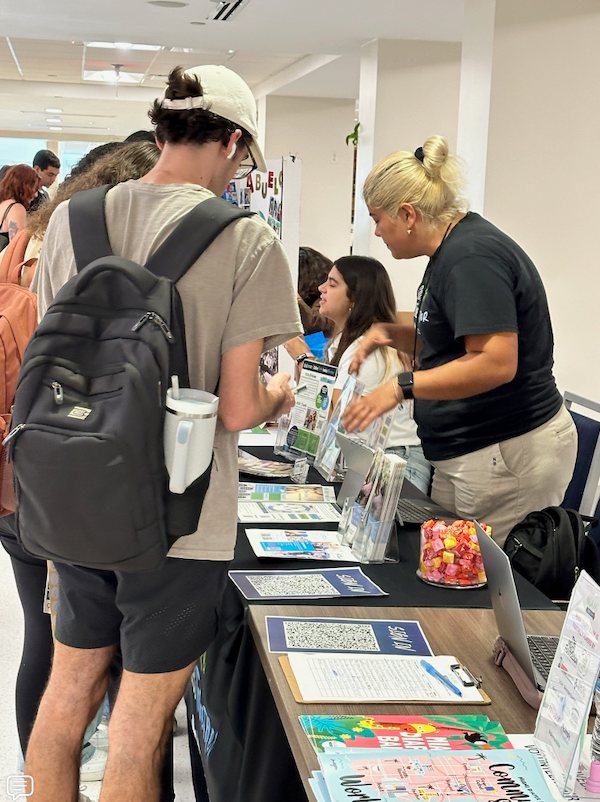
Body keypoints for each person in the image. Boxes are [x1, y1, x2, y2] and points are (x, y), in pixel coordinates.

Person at [25, 63, 300, 802]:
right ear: (233, 142)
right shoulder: (246, 241)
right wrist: (280, 392)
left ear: (159, 131)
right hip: (182, 517)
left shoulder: (73, 221)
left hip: (76, 494)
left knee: (68, 692)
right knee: (139, 730)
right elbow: (238, 410)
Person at [0, 141, 161, 792]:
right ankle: (52, 766)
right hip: (63, 485)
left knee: (50, 634)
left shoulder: (30, 258)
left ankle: (36, 770)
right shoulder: (66, 276)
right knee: (65, 643)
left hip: (26, 478)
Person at [343, 135, 577, 546]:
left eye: (378, 219)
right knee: (442, 573)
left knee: (477, 589)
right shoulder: (449, 252)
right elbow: (450, 345)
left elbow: (494, 362)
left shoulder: (472, 257)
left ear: (408, 213)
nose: (377, 232)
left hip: (505, 449)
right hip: (465, 453)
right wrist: (387, 334)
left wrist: (400, 388)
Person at [286, 255, 431, 493]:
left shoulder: (366, 352)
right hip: (373, 460)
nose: (321, 289)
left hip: (394, 464)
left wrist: (304, 359)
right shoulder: (342, 343)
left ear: (355, 298)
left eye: (332, 284)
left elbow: (335, 417)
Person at [0, 164, 40, 248]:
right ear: (24, 187)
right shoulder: (16, 209)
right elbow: (17, 249)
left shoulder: (3, 204)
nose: (36, 195)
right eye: (34, 188)